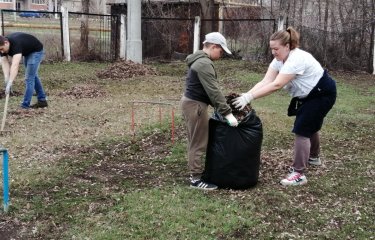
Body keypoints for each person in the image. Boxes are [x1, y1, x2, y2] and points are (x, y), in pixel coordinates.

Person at [233, 27, 337, 186]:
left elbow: (277, 84)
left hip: (322, 93)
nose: (273, 52)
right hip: (309, 94)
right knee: (310, 123)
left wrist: (250, 97)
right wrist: (246, 95)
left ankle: (298, 173)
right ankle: (314, 157)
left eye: (276, 49)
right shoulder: (279, 60)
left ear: (287, 46)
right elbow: (266, 81)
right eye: (271, 49)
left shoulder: (296, 59)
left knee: (302, 129)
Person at [180, 32, 238, 190]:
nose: (221, 55)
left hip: (192, 103)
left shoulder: (199, 60)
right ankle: (196, 179)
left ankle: (196, 174)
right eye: (221, 51)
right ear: (214, 47)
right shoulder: (204, 64)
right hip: (196, 106)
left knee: (195, 140)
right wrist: (228, 114)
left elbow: (209, 90)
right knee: (198, 142)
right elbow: (213, 91)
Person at [0, 32, 48, 109]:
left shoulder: (16, 45)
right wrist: (6, 79)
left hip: (36, 51)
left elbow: (15, 65)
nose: (1, 52)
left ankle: (25, 105)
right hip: (27, 52)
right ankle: (42, 100)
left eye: (2, 49)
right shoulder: (2, 46)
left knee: (29, 78)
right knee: (33, 76)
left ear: (6, 43)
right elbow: (5, 63)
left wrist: (11, 82)